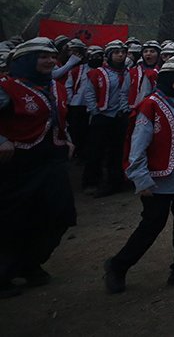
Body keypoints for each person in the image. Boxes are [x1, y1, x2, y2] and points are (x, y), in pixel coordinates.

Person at [104, 53, 174, 293]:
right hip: (159, 178)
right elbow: (137, 144)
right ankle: (118, 265)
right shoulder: (150, 105)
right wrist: (141, 179)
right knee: (152, 224)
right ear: (169, 77)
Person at [0, 38, 76, 298]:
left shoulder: (56, 87)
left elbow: (59, 118)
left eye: (52, 57)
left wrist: (67, 139)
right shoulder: (7, 88)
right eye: (42, 57)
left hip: (51, 161)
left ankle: (30, 263)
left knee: (60, 213)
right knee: (14, 220)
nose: (50, 61)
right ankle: (4, 273)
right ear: (26, 61)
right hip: (18, 166)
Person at [83, 40, 132, 197]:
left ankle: (115, 181)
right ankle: (92, 181)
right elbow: (89, 93)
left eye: (122, 52)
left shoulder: (129, 72)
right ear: (109, 55)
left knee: (117, 150)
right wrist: (95, 110)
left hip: (120, 115)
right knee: (96, 149)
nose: (120, 55)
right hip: (102, 115)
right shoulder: (97, 73)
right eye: (116, 52)